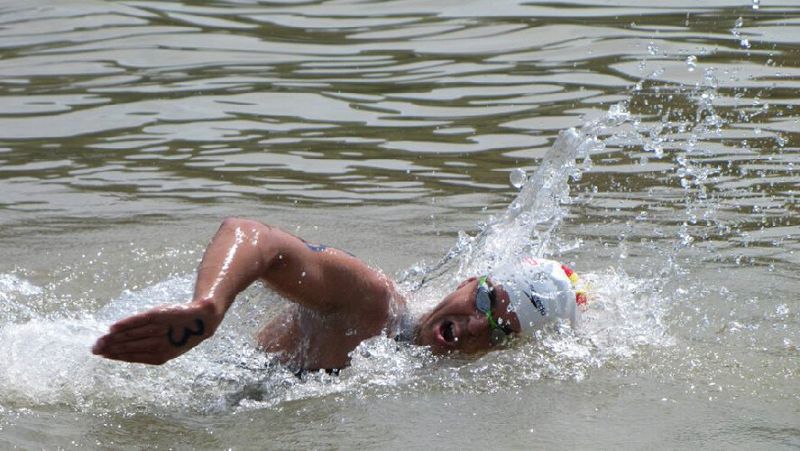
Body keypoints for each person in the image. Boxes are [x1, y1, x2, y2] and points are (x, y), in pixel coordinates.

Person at [92, 218, 585, 371]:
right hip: (171, 377)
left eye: (501, 331)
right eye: (485, 302)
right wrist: (208, 307)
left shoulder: (422, 370)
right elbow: (254, 236)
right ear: (467, 282)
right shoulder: (372, 304)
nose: (478, 326)